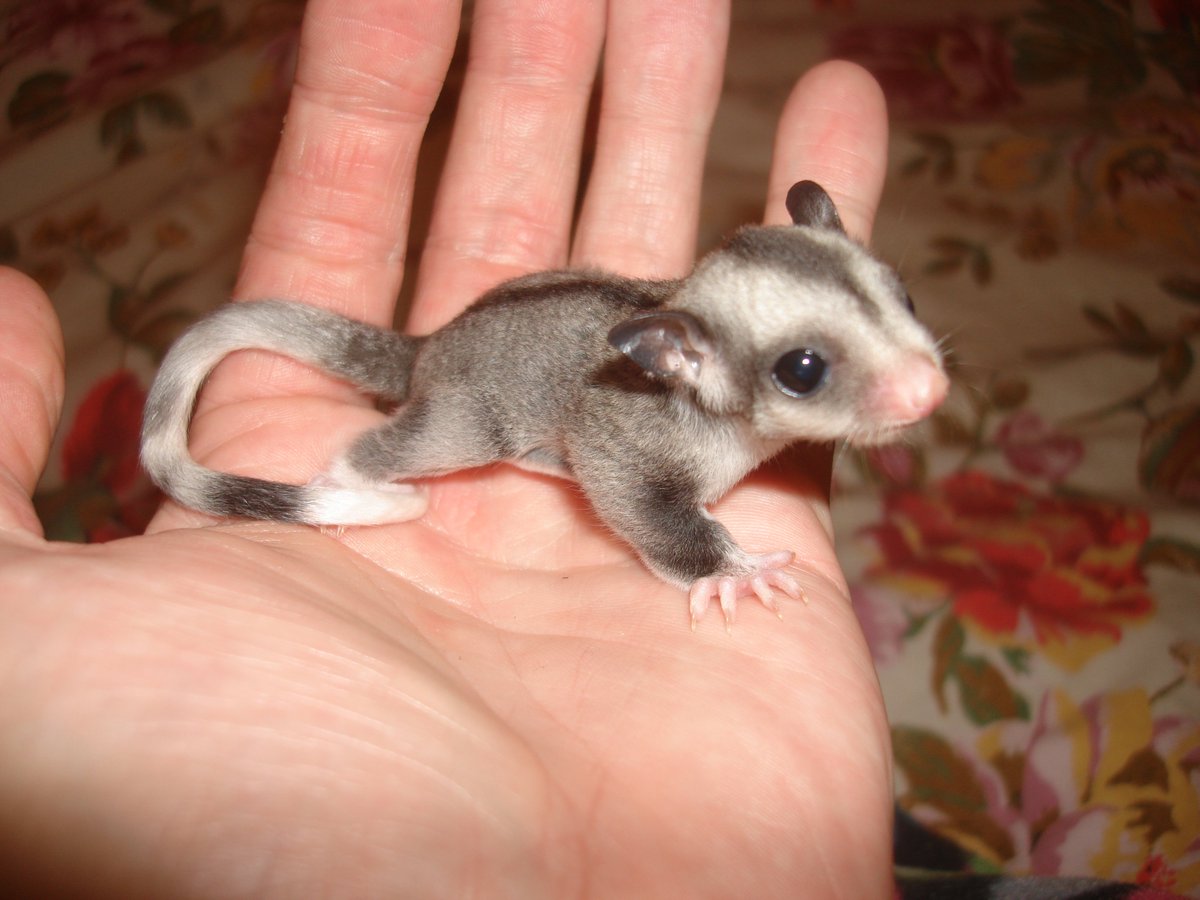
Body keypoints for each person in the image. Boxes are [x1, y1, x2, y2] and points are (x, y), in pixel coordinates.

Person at [0, 0, 894, 895]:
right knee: (478, 428)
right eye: (810, 369)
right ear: (684, 361)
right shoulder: (672, 392)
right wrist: (713, 560)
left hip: (548, 347)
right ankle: (355, 470)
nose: (914, 387)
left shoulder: (698, 358)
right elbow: (633, 479)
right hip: (478, 380)